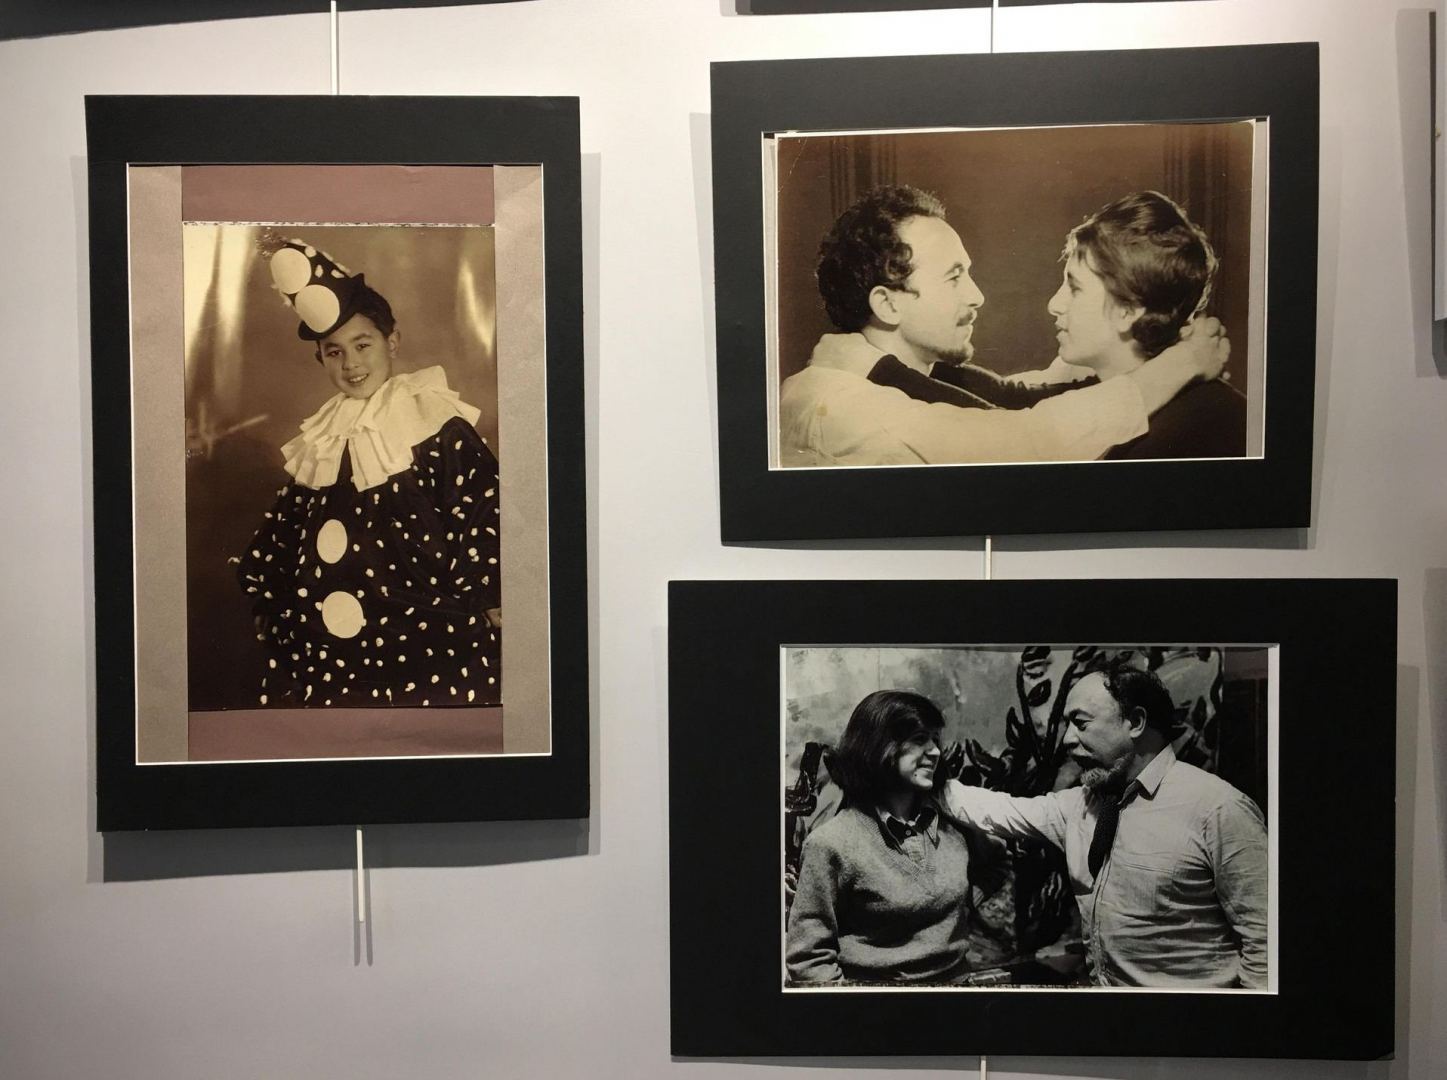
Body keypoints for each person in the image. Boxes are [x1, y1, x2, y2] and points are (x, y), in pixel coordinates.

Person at [779, 185, 1231, 467]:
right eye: (954, 276)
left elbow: (1012, 395)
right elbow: (1028, 438)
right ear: (888, 304)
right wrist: (1182, 362)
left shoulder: (874, 373)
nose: (977, 295)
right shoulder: (844, 405)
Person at [233, 238, 501, 709]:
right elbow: (287, 530)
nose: (351, 363)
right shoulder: (322, 438)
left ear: (391, 342)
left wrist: (492, 594)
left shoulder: (435, 422)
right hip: (331, 643)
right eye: (334, 352)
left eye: (362, 344)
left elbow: (481, 509)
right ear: (320, 358)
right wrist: (269, 596)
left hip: (424, 629)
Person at [943, 665, 1269, 988]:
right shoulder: (1082, 805)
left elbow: (1266, 943)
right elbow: (999, 810)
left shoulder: (1218, 808)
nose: (1068, 739)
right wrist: (925, 772)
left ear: (1136, 722)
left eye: (1081, 723)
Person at [786, 690, 980, 985]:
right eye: (919, 739)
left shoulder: (952, 825)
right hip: (882, 1003)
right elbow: (808, 960)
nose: (935, 751)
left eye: (935, 739)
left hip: (958, 992)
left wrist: (958, 914)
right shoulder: (831, 843)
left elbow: (997, 864)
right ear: (879, 746)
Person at [1044, 190, 1246, 459]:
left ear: (1128, 311)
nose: (1054, 304)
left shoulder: (1189, 434)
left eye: (1075, 288)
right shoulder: (1092, 395)